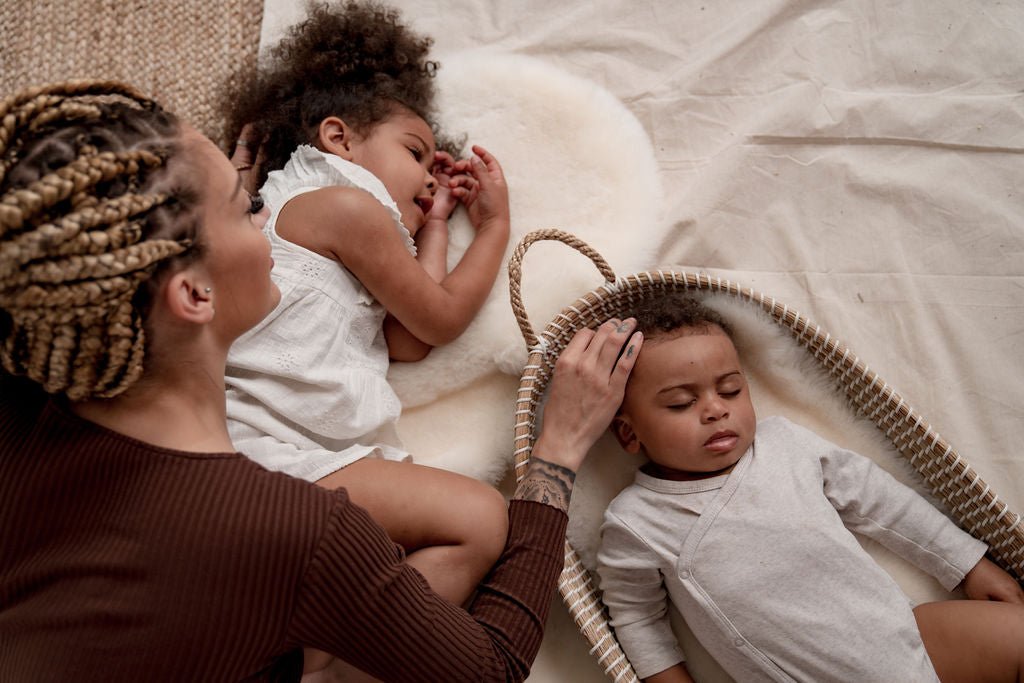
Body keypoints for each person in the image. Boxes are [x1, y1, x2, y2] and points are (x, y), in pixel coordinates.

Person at [0, 80, 644, 682]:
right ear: (192, 294)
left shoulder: (23, 408)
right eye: (245, 208)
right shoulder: (298, 533)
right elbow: (489, 667)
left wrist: (191, 210)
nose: (267, 219)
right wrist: (556, 456)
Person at [221, 8, 510, 672]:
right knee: (481, 521)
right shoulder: (341, 206)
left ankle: (315, 656)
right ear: (338, 139)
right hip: (276, 454)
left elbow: (408, 342)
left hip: (289, 463)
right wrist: (492, 228)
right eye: (415, 152)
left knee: (437, 535)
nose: (431, 177)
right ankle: (330, 667)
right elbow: (437, 318)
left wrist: (433, 227)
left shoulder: (328, 222)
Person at [595, 294, 1024, 683]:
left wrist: (967, 564)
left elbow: (882, 503)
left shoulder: (785, 445)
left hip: (908, 638)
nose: (715, 410)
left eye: (730, 389)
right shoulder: (636, 520)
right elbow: (636, 616)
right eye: (681, 403)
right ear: (630, 435)